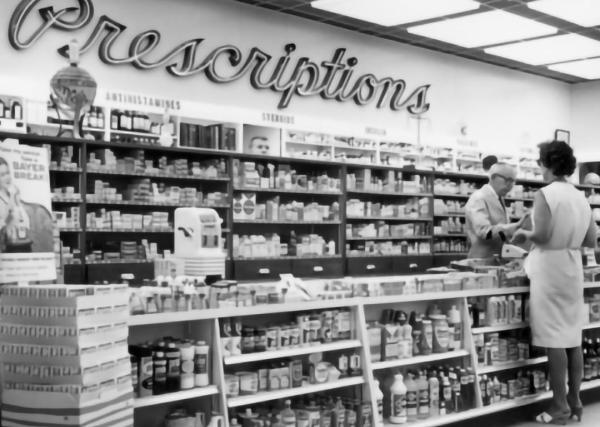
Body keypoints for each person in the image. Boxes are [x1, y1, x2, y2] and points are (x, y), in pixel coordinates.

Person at [512, 141, 596, 424]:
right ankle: (576, 401)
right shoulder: (580, 196)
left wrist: (525, 233)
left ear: (547, 164)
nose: (540, 167)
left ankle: (558, 405)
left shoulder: (545, 194)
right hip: (573, 267)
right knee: (572, 337)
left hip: (549, 269)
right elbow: (591, 240)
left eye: (540, 162)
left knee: (554, 340)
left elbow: (544, 235)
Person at [464, 162, 526, 258]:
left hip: (495, 258)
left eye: (513, 181)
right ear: (493, 177)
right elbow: (484, 232)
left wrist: (513, 236)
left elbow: (498, 233)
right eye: (507, 180)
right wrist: (512, 228)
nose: (510, 185)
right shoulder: (479, 198)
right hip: (481, 259)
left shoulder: (499, 198)